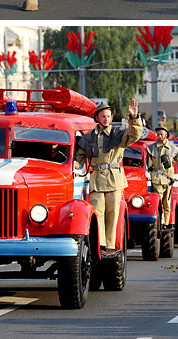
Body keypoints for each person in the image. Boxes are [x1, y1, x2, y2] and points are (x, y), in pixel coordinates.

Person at [74, 98, 142, 251]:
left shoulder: (119, 135)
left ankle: (111, 246)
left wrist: (134, 118)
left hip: (114, 178)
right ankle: (101, 244)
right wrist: (77, 164)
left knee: (113, 213)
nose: (106, 119)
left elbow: (135, 134)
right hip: (97, 178)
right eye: (103, 116)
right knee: (97, 212)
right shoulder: (88, 137)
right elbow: (79, 155)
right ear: (97, 118)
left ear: (112, 118)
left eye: (109, 116)